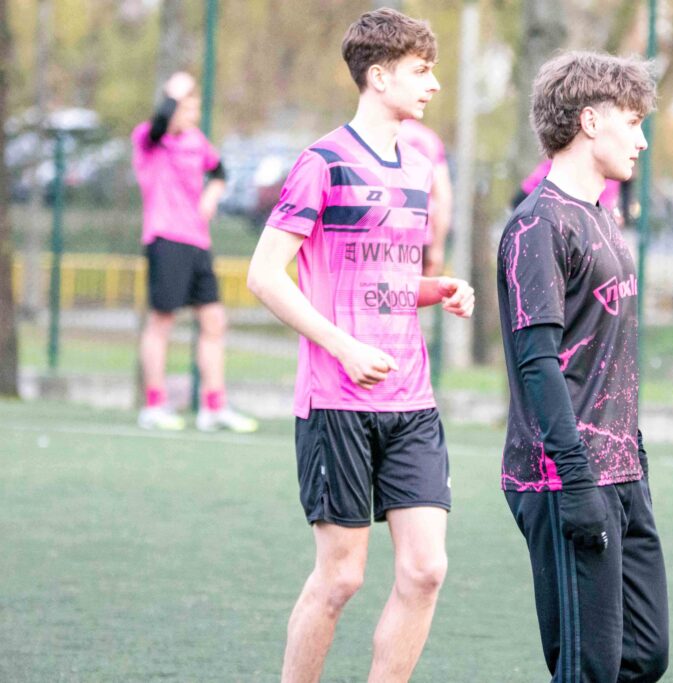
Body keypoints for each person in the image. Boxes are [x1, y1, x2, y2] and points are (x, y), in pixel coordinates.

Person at [246, 9, 474, 683]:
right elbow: (265, 275)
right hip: (337, 401)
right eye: (420, 71)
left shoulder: (419, 166)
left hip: (411, 400)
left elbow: (382, 278)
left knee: (426, 568)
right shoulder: (322, 163)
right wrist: (343, 347)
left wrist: (435, 289)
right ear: (378, 76)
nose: (433, 84)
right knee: (341, 578)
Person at [496, 51, 669, 682]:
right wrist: (575, 482)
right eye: (633, 122)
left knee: (642, 656)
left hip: (621, 470)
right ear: (591, 121)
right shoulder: (538, 225)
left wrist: (633, 459)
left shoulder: (598, 216)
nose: (642, 141)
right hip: (564, 478)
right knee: (588, 669)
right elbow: (538, 363)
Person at [131, 71, 258, 433]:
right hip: (165, 238)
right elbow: (159, 123)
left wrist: (211, 196)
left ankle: (213, 407)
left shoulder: (196, 141)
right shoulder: (149, 139)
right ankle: (154, 405)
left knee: (214, 321)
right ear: (171, 106)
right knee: (161, 322)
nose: (192, 114)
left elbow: (219, 172)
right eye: (186, 107)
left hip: (197, 242)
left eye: (194, 107)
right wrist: (172, 94)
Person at [398, 119, 452, 276]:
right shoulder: (428, 139)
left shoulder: (372, 135)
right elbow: (442, 196)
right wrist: (437, 248)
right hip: (419, 238)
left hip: (377, 240)